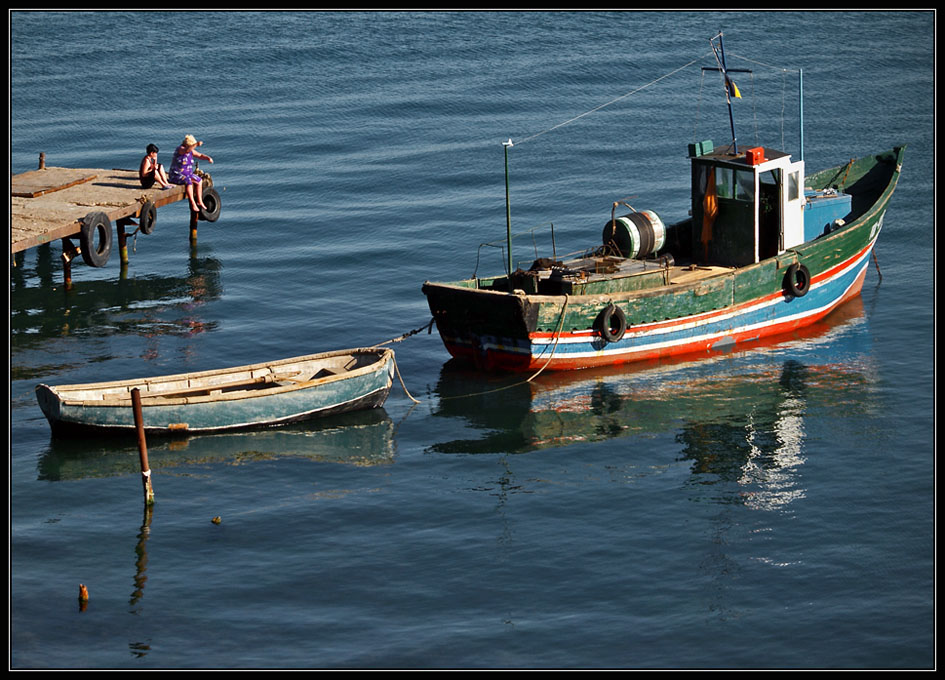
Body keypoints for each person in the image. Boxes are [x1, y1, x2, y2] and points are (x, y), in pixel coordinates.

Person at [168, 134, 214, 212]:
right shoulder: (180, 149)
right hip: (176, 174)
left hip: (187, 174)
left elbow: (200, 155)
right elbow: (186, 150)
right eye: (192, 145)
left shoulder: (191, 151)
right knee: (188, 181)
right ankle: (193, 203)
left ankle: (200, 201)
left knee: (199, 180)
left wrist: (207, 158)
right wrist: (196, 144)